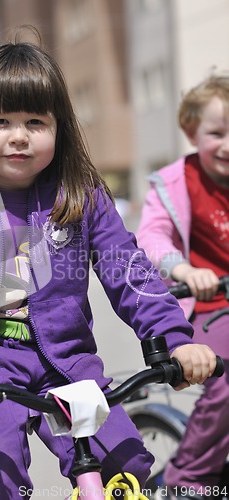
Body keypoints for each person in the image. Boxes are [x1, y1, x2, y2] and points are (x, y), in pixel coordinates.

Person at [0, 33, 217, 500]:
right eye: (0, 121)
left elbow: (129, 271)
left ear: (60, 127)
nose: (19, 135)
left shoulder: (78, 197)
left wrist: (177, 340)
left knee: (124, 462)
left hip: (67, 366)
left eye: (35, 120)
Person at [137, 73, 229, 499]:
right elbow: (152, 236)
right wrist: (185, 270)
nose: (228, 144)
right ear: (192, 131)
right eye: (216, 133)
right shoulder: (176, 181)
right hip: (208, 307)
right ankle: (186, 476)